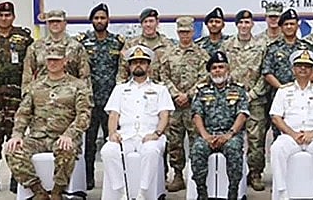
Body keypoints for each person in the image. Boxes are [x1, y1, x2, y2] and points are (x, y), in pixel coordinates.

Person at [5, 45, 91, 200]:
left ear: (64, 61)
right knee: (12, 150)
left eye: (57, 60)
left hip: (63, 137)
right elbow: (23, 113)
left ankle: (58, 191)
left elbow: (84, 115)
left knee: (66, 150)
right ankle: (38, 191)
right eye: (50, 60)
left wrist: (69, 135)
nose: (53, 63)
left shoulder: (78, 85)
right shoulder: (35, 86)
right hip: (38, 137)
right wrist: (17, 134)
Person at [101, 45, 173, 200]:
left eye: (142, 62)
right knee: (107, 151)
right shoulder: (120, 89)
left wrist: (157, 133)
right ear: (129, 66)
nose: (138, 65)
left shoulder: (160, 89)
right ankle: (121, 191)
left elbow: (164, 115)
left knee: (151, 151)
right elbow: (113, 115)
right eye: (134, 62)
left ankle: (143, 192)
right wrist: (112, 133)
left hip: (150, 134)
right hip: (125, 135)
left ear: (148, 65)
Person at [0, 1, 34, 195]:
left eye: (8, 15)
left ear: (13, 17)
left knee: (15, 137)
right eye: (1, 15)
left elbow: (31, 62)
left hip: (16, 95)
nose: (4, 18)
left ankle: (15, 178)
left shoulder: (23, 37)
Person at [269, 50, 313, 200]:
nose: (303, 69)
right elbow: (276, 117)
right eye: (299, 65)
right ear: (293, 69)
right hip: (291, 135)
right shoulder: (284, 91)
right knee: (276, 149)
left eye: (307, 66)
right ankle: (282, 192)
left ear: (312, 70)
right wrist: (292, 133)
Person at [76, 3, 125, 190]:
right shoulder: (83, 42)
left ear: (108, 20)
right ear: (91, 21)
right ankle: (88, 178)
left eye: (102, 18)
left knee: (112, 141)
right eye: (96, 18)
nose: (99, 21)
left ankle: (114, 180)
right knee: (89, 143)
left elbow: (123, 69)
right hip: (89, 101)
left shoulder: (117, 42)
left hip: (112, 103)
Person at [190, 51, 250, 200]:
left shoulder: (238, 90)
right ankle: (201, 192)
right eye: (214, 68)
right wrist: (205, 136)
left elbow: (242, 114)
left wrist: (229, 134)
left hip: (231, 134)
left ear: (227, 70)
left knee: (234, 149)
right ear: (210, 72)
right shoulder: (202, 91)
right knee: (197, 149)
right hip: (207, 134)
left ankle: (233, 192)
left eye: (221, 67)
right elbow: (197, 115)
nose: (217, 70)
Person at [222, 9, 269, 191]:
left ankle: (256, 173)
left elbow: (265, 74)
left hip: (255, 100)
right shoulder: (226, 46)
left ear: (252, 25)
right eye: (240, 22)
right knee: (231, 136)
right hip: (231, 101)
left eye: (247, 22)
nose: (244, 26)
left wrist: (252, 94)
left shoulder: (262, 45)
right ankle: (232, 173)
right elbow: (221, 71)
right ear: (236, 25)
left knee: (256, 140)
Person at [164, 16, 209, 192]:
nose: (184, 35)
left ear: (193, 32)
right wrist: (176, 94)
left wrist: (188, 95)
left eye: (188, 32)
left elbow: (204, 78)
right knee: (174, 142)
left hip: (193, 106)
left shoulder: (201, 54)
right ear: (177, 32)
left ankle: (195, 175)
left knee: (196, 141)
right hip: (174, 106)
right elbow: (163, 77)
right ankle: (177, 175)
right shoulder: (169, 54)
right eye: (181, 32)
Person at [22, 9, 89, 92]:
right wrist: (26, 95)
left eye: (58, 21)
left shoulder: (76, 47)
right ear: (47, 24)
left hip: (68, 96)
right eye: (51, 21)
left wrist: (85, 97)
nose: (55, 24)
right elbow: (27, 76)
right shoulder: (36, 47)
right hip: (42, 96)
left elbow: (84, 76)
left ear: (65, 24)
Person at [116, 7, 176, 83]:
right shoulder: (131, 45)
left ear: (157, 22)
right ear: (141, 24)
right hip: (137, 88)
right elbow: (122, 72)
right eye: (145, 22)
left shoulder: (168, 45)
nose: (148, 25)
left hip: (161, 89)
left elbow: (172, 72)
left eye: (151, 21)